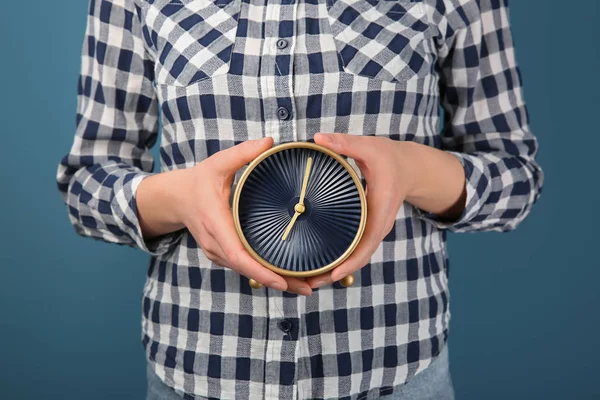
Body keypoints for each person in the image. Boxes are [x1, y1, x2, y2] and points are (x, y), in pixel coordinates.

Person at [57, 0, 543, 398]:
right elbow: (88, 182)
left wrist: (412, 169)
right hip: (200, 367)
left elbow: (514, 177)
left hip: (393, 371)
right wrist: (179, 197)